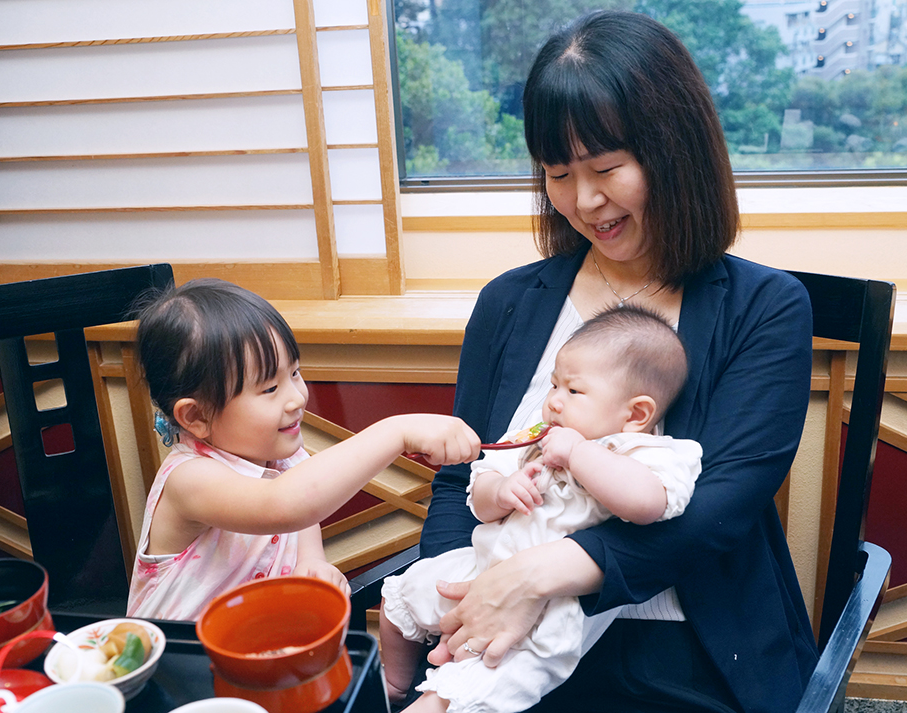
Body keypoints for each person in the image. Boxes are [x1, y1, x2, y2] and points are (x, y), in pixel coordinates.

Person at [418, 10, 817, 713]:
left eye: (605, 168)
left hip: (683, 636)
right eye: (558, 173)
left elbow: (716, 513)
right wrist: (463, 594)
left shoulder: (765, 306)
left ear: (675, 152)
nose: (584, 200)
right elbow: (461, 479)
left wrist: (539, 575)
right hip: (508, 624)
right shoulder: (508, 303)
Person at [380, 306, 703, 713]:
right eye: (553, 386)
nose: (553, 402)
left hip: (555, 606)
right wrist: (500, 491)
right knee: (404, 597)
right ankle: (392, 683)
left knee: (468, 690)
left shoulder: (647, 452)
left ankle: (434, 699)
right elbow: (477, 492)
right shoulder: (534, 437)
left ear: (636, 413)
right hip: (480, 566)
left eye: (573, 391)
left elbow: (647, 504)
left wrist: (579, 454)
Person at [126, 278, 480, 621]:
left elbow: (302, 512)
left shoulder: (280, 454)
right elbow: (285, 504)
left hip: (261, 643)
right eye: (269, 389)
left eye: (294, 373)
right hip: (180, 661)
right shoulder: (190, 479)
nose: (296, 398)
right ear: (196, 416)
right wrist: (397, 431)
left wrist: (311, 563)